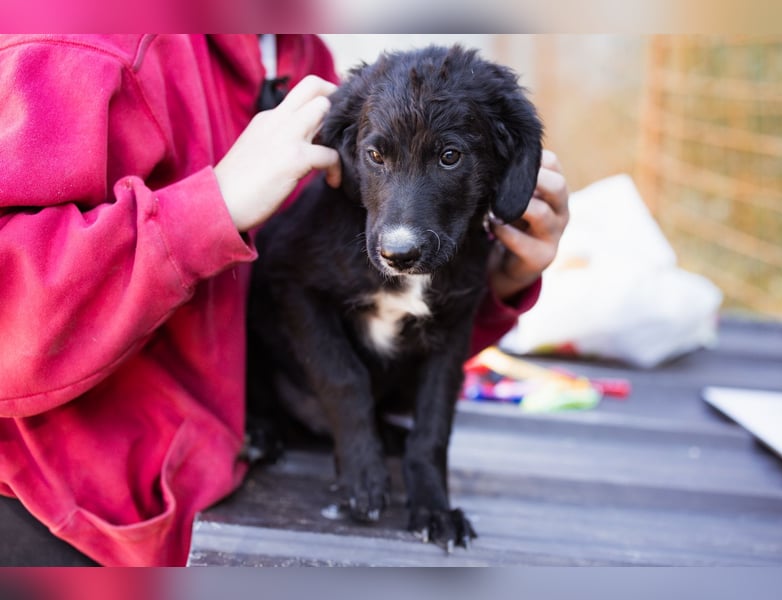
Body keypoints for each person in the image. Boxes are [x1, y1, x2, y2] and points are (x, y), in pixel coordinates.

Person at [0, 34, 568, 566]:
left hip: (246, 474)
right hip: (74, 515)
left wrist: (500, 282)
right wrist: (212, 206)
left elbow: (398, 316)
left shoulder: (301, 54)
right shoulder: (76, 41)